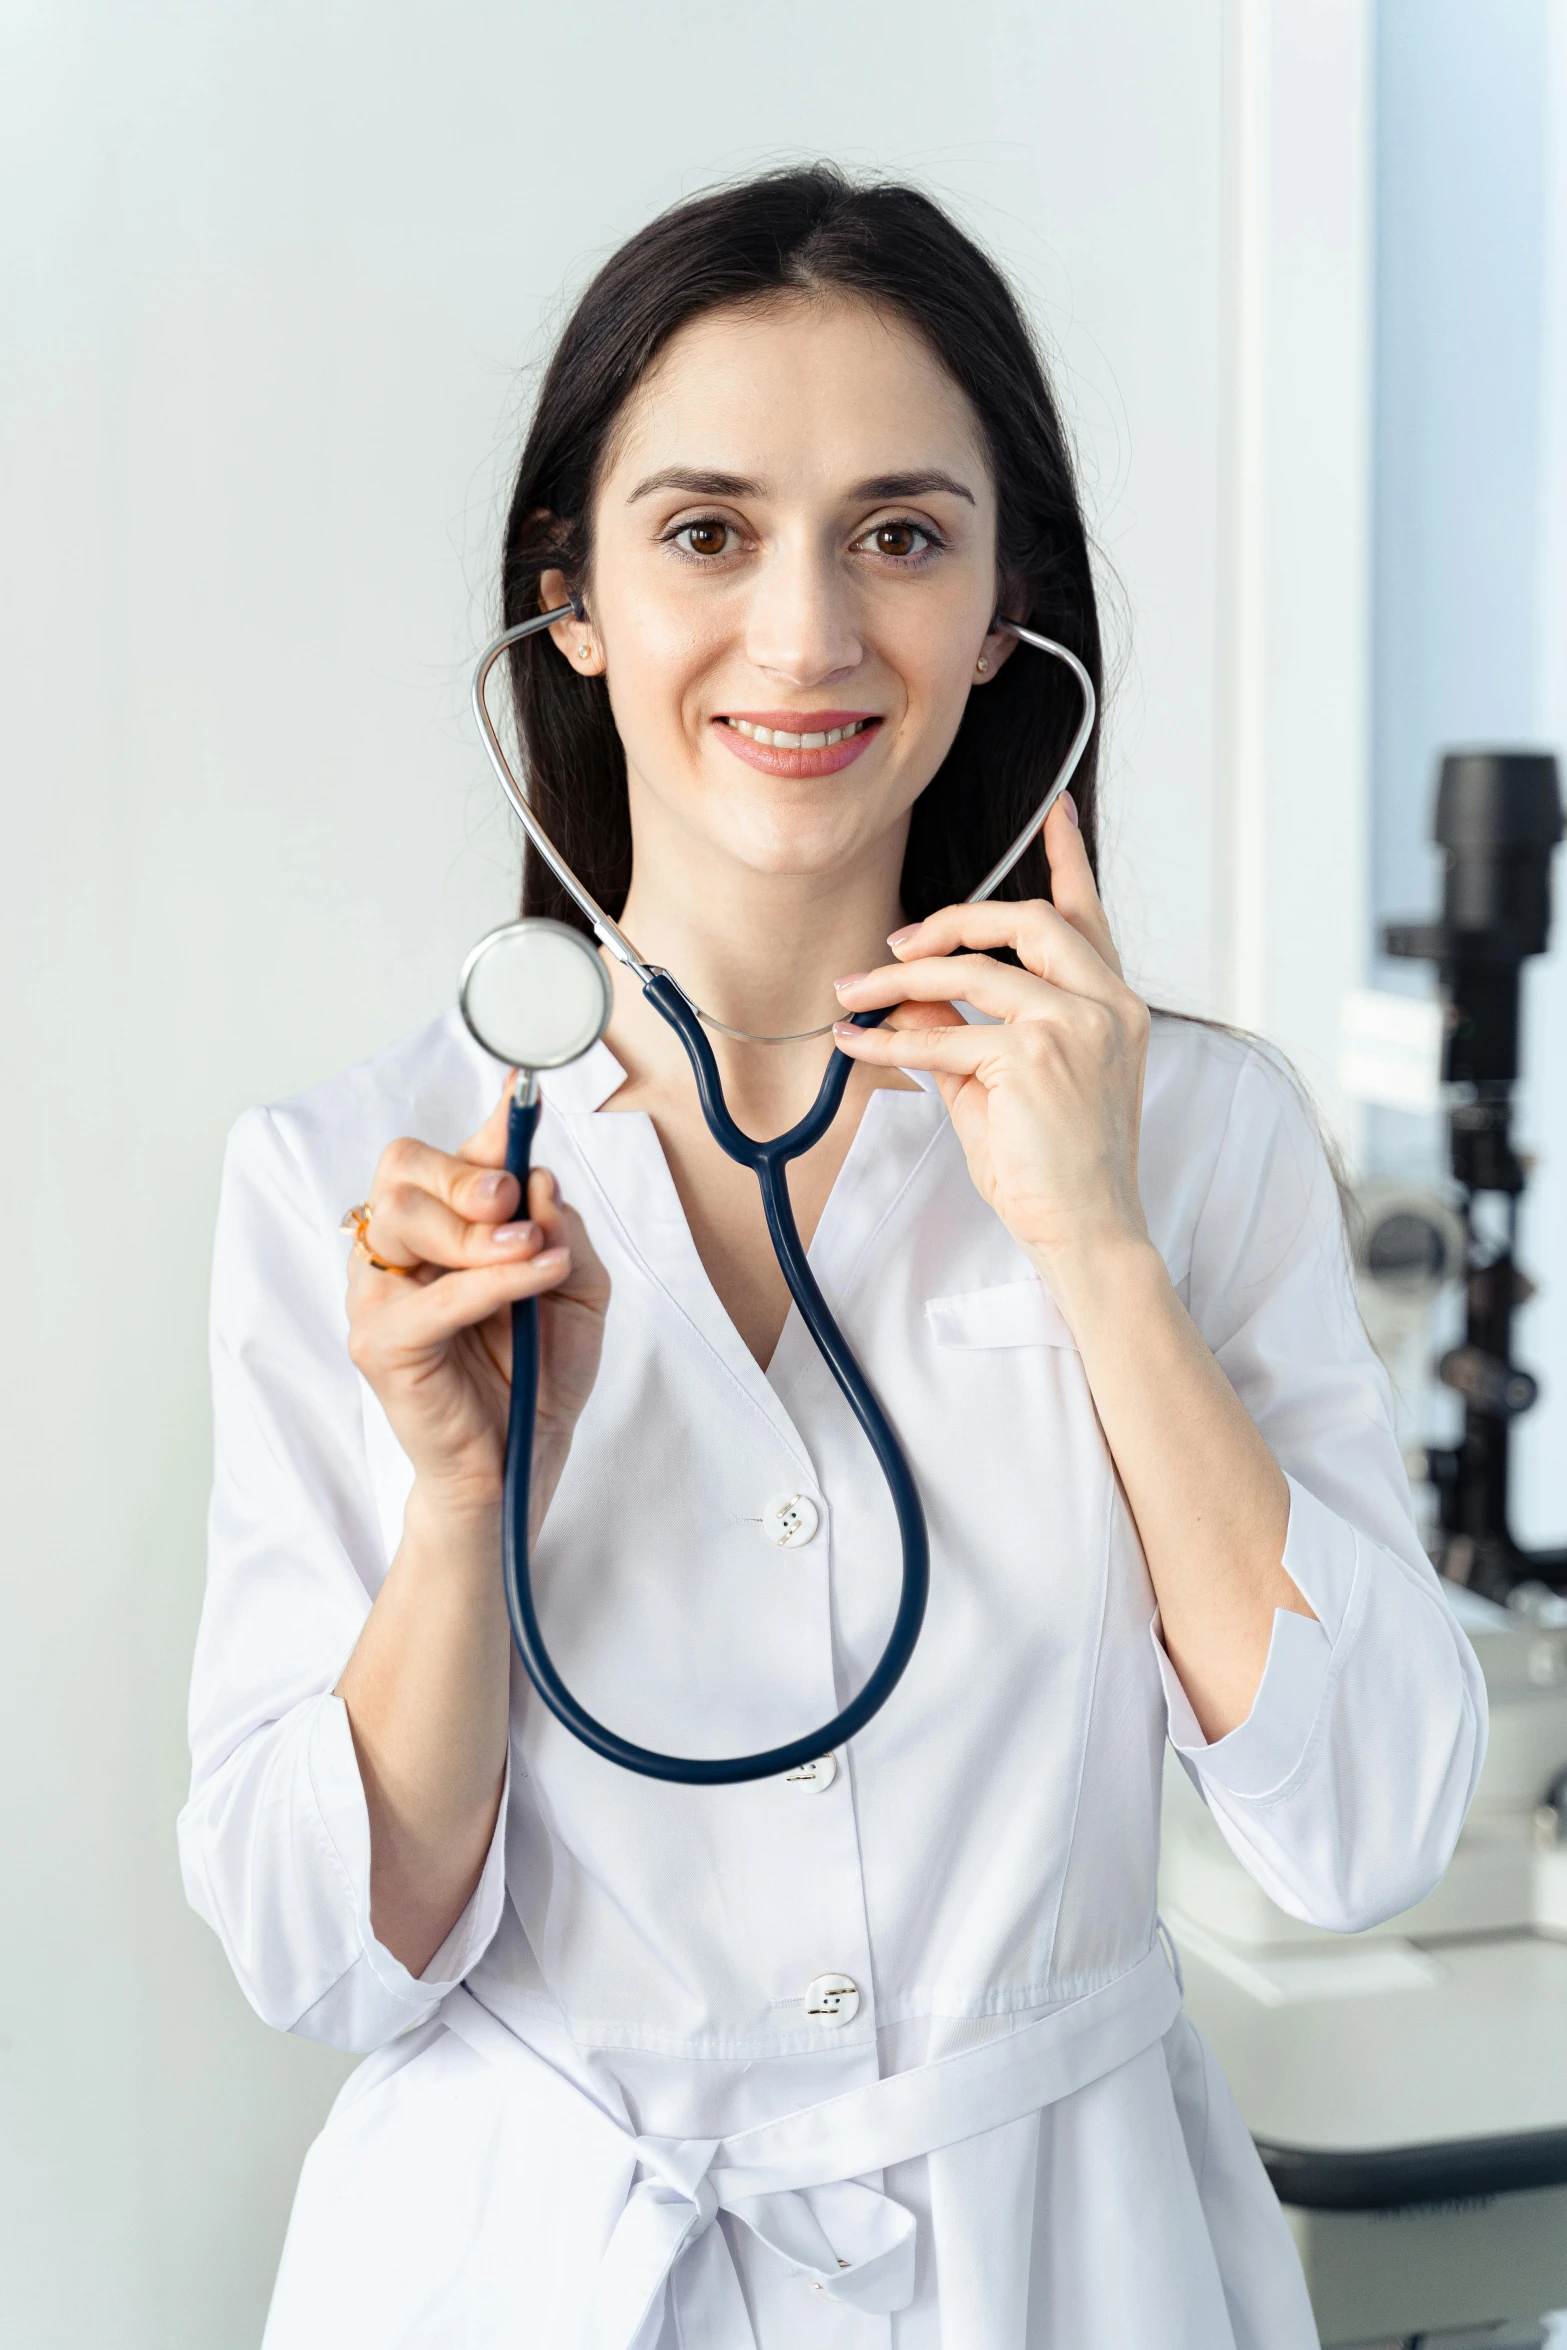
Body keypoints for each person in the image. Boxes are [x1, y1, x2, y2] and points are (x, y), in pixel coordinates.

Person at [180, 166, 1485, 2349]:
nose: (805, 634)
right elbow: (326, 1953)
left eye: (900, 533)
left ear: (1005, 612)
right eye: (705, 532)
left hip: (1064, 2273)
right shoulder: (355, 1174)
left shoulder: (1203, 1140)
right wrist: (461, 1494)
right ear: (572, 599)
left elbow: (1366, 1826)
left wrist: (1096, 1239)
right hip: (531, 2272)